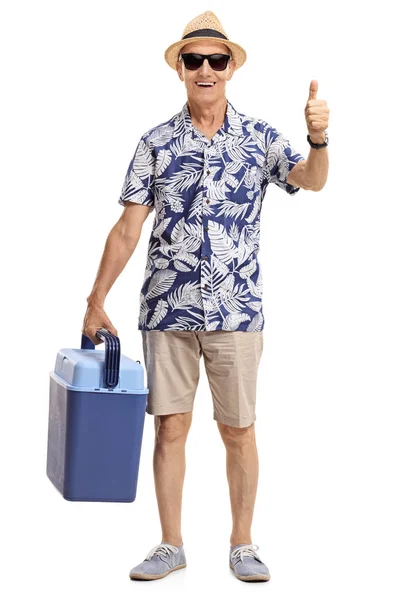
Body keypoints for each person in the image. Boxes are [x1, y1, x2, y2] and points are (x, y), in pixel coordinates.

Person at [82, 10, 329, 583]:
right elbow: (127, 228)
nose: (206, 69)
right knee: (170, 426)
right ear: (180, 70)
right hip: (166, 310)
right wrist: (95, 299)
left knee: (238, 428)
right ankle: (171, 544)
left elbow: (312, 180)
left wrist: (319, 138)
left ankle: (242, 544)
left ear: (231, 68)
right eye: (194, 60)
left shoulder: (260, 137)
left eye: (217, 60)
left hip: (237, 312)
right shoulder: (156, 143)